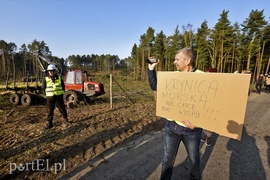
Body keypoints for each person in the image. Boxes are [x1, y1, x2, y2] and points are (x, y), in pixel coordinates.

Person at [148, 48, 202, 180]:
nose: (174, 62)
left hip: (191, 131)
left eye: (177, 59)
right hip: (171, 127)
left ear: (187, 60)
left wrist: (199, 122)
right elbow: (155, 86)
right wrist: (151, 69)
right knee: (167, 160)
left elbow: (210, 105)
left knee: (194, 160)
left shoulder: (203, 77)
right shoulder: (173, 76)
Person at [42, 64, 70, 129]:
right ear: (48, 72)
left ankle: (66, 120)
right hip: (50, 97)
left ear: (55, 71)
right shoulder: (45, 79)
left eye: (52, 71)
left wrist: (61, 93)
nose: (51, 72)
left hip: (58, 97)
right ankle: (50, 123)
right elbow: (43, 87)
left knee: (62, 108)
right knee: (49, 110)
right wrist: (47, 94)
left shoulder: (60, 78)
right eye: (49, 71)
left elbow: (63, 87)